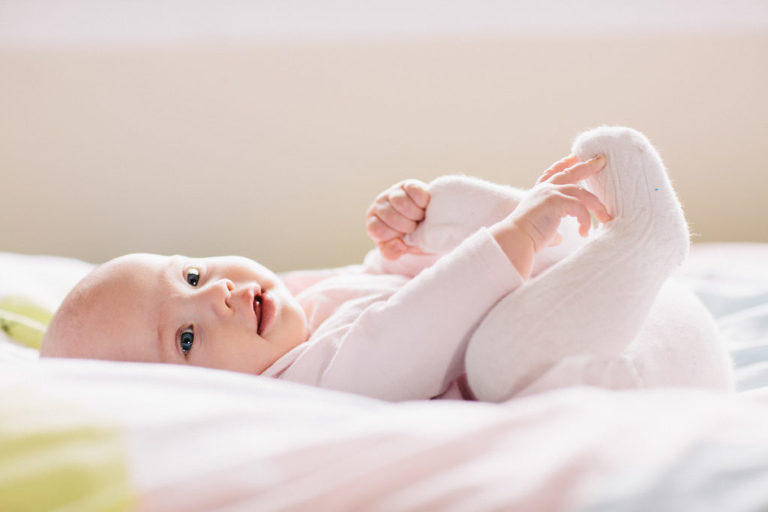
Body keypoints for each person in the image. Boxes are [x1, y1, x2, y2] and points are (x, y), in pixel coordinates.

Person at [40, 127, 732, 402]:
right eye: (185, 339)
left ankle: (582, 224)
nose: (216, 295)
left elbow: (386, 292)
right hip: (623, 366)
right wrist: (514, 237)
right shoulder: (299, 385)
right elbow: (399, 333)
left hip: (644, 316)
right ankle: (637, 242)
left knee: (448, 213)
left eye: (189, 276)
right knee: (497, 357)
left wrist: (400, 245)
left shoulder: (302, 308)